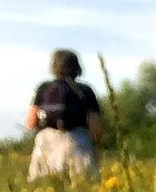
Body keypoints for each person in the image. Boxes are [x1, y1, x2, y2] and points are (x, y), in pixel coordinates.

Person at [26, 50, 102, 179]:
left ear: (54, 67)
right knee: (84, 184)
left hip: (46, 143)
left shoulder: (43, 88)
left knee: (45, 186)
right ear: (77, 68)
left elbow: (30, 123)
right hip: (79, 143)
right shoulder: (85, 90)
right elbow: (97, 129)